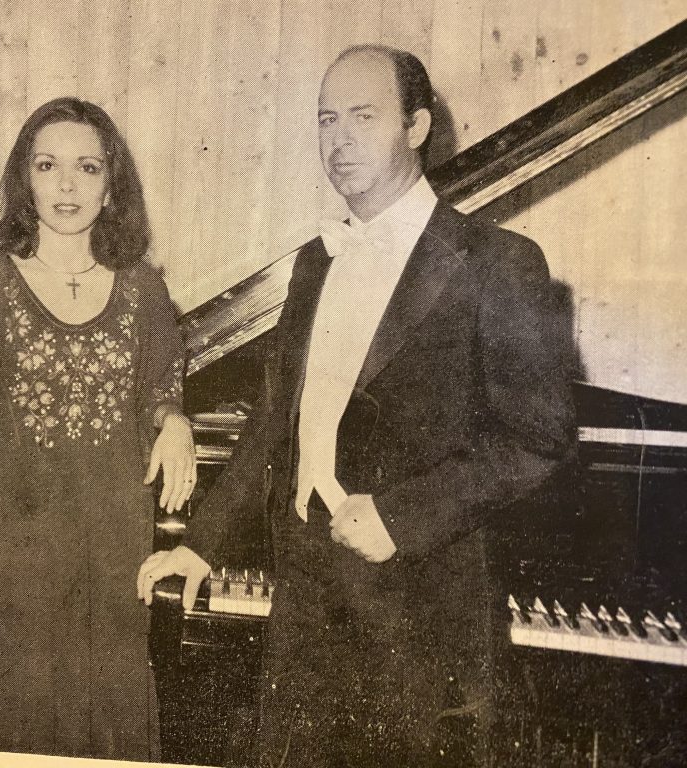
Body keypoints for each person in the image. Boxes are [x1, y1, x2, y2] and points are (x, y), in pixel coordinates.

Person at [138, 45, 576, 767]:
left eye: (363, 117)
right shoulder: (315, 261)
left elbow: (538, 437)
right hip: (305, 599)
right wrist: (200, 543)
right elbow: (275, 424)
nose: (338, 140)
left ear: (417, 126)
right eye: (325, 120)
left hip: (421, 609)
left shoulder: (499, 261)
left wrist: (401, 519)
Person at [0, 97, 196, 760]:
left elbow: (158, 385)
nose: (67, 185)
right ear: (25, 180)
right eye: (48, 165)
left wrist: (173, 417)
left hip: (113, 560)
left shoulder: (143, 289)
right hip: (18, 561)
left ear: (109, 184)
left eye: (86, 167)